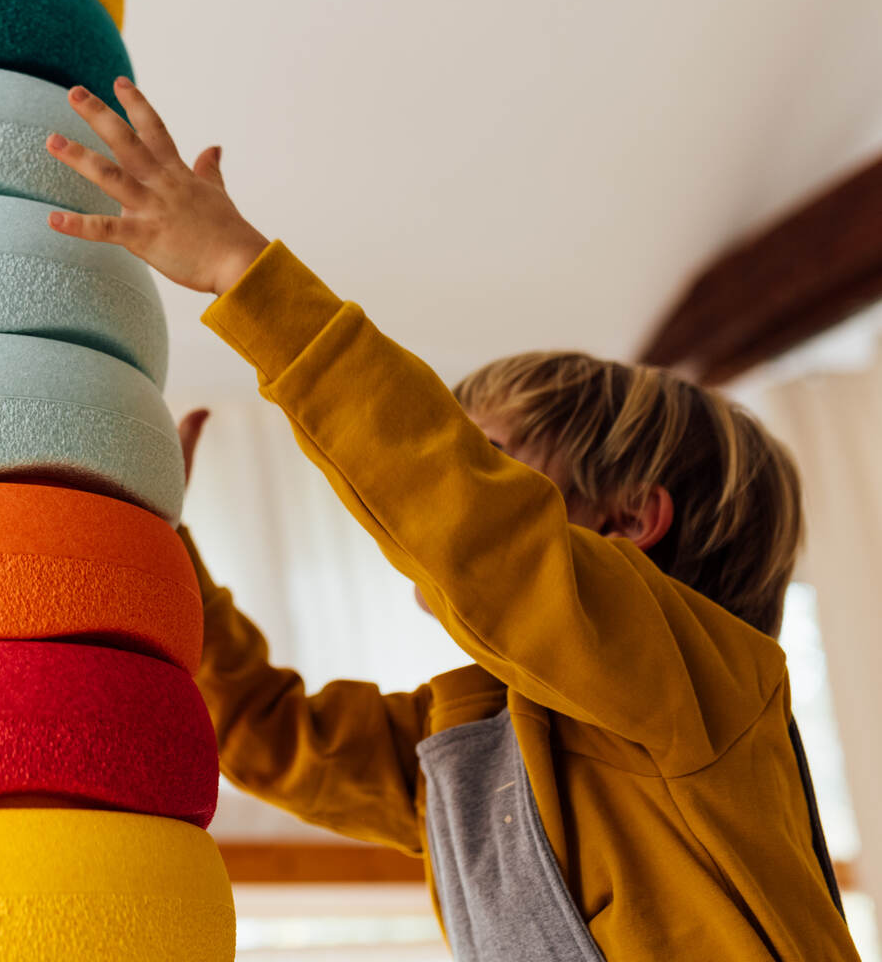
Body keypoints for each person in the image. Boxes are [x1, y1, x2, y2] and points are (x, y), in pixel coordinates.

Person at [43, 76, 860, 960]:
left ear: (628, 523)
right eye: (468, 461)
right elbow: (268, 735)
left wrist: (245, 276)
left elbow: (475, 535)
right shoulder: (463, 751)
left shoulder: (703, 684)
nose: (455, 489)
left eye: (491, 464)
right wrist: (170, 554)